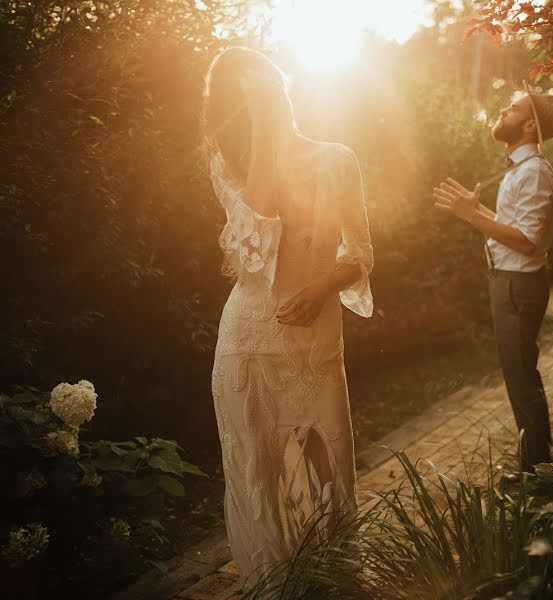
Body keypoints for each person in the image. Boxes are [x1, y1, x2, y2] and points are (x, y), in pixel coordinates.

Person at [202, 47, 373, 587]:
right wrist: (261, 136)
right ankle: (276, 588)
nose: (258, 98)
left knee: (327, 469)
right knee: (259, 477)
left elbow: (362, 253)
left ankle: (338, 581)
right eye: (244, 97)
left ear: (281, 85)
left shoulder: (337, 158)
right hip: (247, 342)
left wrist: (324, 286)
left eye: (262, 88)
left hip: (314, 343)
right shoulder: (225, 162)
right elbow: (258, 242)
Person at [433, 87, 553, 468]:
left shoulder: (536, 171)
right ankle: (536, 465)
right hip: (508, 283)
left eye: (513, 108)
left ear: (528, 125)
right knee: (519, 379)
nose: (503, 110)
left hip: (516, 286)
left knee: (522, 381)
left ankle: (538, 473)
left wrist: (470, 216)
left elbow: (527, 242)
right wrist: (479, 211)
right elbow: (514, 227)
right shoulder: (523, 169)